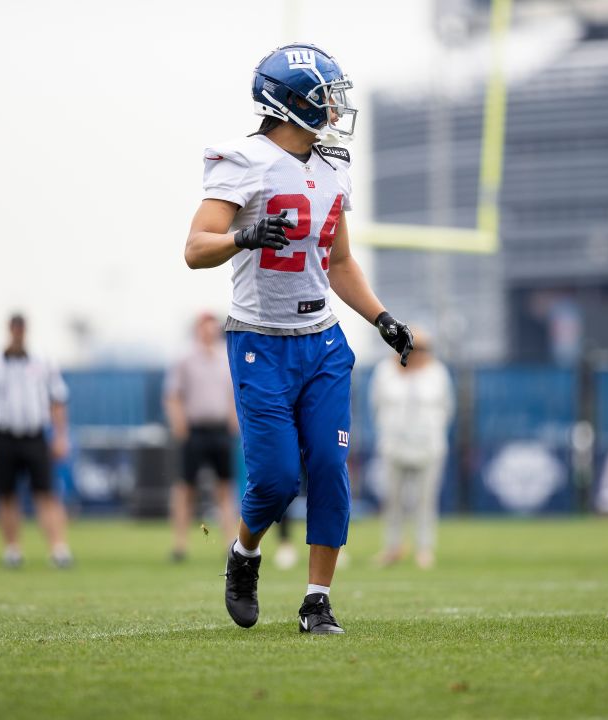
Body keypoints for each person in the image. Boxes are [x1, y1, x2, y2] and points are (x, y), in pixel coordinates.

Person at [184, 43, 413, 635]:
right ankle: (245, 554)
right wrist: (246, 235)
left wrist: (382, 318)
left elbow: (339, 263)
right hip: (260, 339)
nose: (335, 108)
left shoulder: (334, 167)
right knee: (279, 478)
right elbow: (194, 248)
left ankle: (317, 601)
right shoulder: (243, 160)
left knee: (332, 471)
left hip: (323, 342)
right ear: (287, 103)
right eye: (323, 97)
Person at [0, 314, 74, 569]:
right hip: (3, 435)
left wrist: (60, 436)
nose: (18, 333)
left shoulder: (44, 360)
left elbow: (58, 400)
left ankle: (58, 548)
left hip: (35, 435)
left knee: (47, 493)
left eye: (21, 329)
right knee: (6, 495)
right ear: (9, 330)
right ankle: (12, 549)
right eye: (15, 328)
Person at [369, 330, 454, 569]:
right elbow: (376, 405)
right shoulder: (384, 371)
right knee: (393, 500)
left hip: (429, 445)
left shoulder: (437, 373)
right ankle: (392, 547)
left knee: (425, 500)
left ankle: (424, 549)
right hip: (393, 444)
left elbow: (447, 408)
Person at [164, 312, 239, 561]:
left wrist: (234, 421)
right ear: (198, 330)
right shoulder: (185, 359)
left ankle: (231, 543)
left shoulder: (226, 358)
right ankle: (180, 545)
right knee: (186, 488)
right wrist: (179, 425)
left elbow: (233, 394)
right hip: (194, 431)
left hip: (220, 431)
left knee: (225, 488)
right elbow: (173, 394)